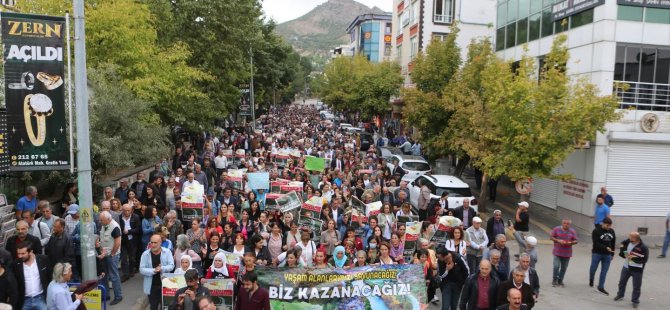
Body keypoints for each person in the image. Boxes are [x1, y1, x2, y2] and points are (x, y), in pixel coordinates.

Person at [12, 241, 52, 310]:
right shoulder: (15, 264)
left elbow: (50, 277)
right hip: (24, 301)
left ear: (31, 252)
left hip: (41, 299)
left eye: (23, 253)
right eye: (18, 253)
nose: (20, 256)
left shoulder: (43, 260)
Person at [140, 233, 175, 310]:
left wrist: (162, 268)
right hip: (151, 286)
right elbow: (141, 269)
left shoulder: (167, 252)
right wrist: (154, 270)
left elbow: (171, 266)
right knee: (153, 307)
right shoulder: (145, 254)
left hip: (165, 285)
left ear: (160, 242)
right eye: (151, 242)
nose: (153, 245)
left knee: (165, 307)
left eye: (155, 243)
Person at [614, 231, 649, 309]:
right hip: (626, 267)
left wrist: (633, 258)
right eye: (629, 237)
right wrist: (623, 250)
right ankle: (620, 295)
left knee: (636, 286)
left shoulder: (643, 247)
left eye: (631, 237)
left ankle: (635, 301)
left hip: (637, 269)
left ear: (636, 238)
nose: (629, 239)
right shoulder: (628, 241)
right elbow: (622, 243)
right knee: (622, 282)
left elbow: (644, 259)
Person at [99, 211, 123, 305]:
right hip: (105, 254)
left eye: (102, 220)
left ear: (108, 219)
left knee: (114, 276)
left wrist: (112, 253)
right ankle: (106, 295)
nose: (100, 221)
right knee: (104, 275)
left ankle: (118, 296)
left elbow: (118, 242)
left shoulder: (115, 227)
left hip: (112, 255)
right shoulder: (104, 225)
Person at [590, 217, 616, 295]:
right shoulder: (596, 231)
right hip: (597, 253)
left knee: (604, 271)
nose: (608, 227)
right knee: (593, 269)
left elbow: (613, 243)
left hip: (607, 255)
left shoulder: (612, 231)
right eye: (607, 225)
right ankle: (591, 278)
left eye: (610, 226)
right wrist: (605, 247)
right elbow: (596, 243)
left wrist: (612, 253)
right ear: (603, 223)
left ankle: (601, 287)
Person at [550, 218, 578, 287]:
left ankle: (560, 280)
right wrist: (558, 240)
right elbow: (551, 237)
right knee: (556, 266)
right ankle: (554, 279)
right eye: (564, 223)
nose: (566, 225)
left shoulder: (572, 231)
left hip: (567, 253)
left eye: (567, 224)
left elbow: (576, 240)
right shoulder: (556, 229)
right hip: (557, 252)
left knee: (564, 267)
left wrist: (570, 242)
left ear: (569, 224)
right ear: (562, 223)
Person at [119, 203, 141, 281]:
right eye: (125, 211)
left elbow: (138, 229)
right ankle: (125, 274)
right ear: (122, 210)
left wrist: (129, 231)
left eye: (129, 210)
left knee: (132, 258)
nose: (127, 212)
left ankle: (131, 270)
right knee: (124, 258)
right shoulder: (119, 217)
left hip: (132, 240)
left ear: (131, 210)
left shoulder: (136, 217)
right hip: (123, 240)